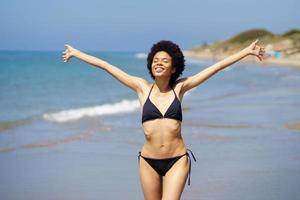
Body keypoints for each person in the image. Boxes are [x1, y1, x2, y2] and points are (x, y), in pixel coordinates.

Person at [62, 40, 265, 200]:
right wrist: (75, 53)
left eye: (165, 61)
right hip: (148, 162)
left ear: (174, 68)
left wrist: (246, 51)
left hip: (177, 159)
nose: (159, 63)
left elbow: (217, 66)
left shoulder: (180, 88)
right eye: (156, 60)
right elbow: (105, 65)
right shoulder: (141, 87)